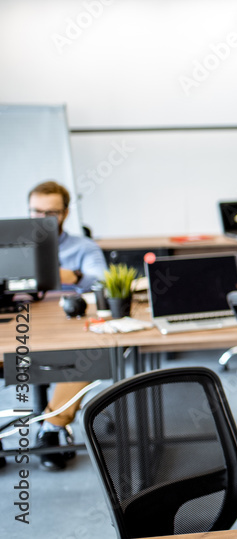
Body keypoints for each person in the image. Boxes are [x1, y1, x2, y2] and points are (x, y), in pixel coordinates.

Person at [28, 180, 109, 471]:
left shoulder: (83, 248)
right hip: (20, 321)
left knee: (89, 354)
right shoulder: (11, 245)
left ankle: (51, 428)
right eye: (36, 212)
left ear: (65, 212)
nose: (43, 219)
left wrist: (71, 275)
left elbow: (101, 281)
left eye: (51, 212)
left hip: (66, 323)